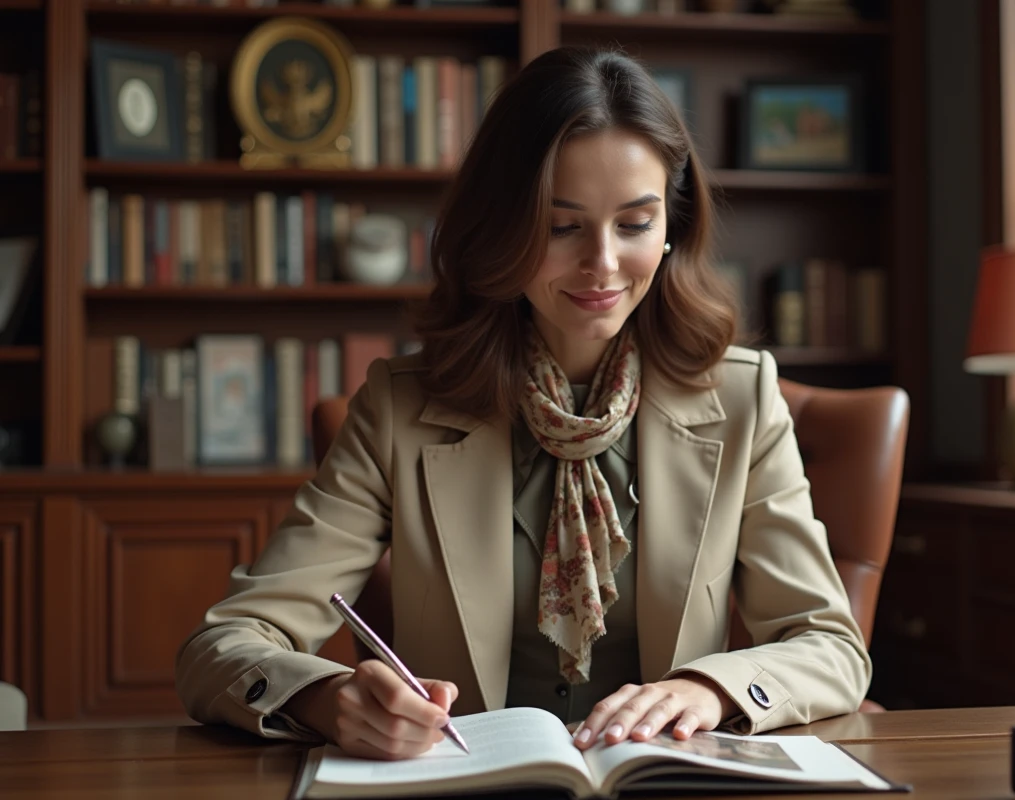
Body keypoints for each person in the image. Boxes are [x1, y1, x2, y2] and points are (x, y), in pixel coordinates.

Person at [175, 46, 870, 762]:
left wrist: (708, 691)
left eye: (635, 224)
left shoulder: (742, 399)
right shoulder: (398, 410)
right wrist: (326, 700)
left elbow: (831, 648)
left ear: (672, 227)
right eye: (562, 227)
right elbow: (221, 646)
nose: (603, 264)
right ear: (501, 226)